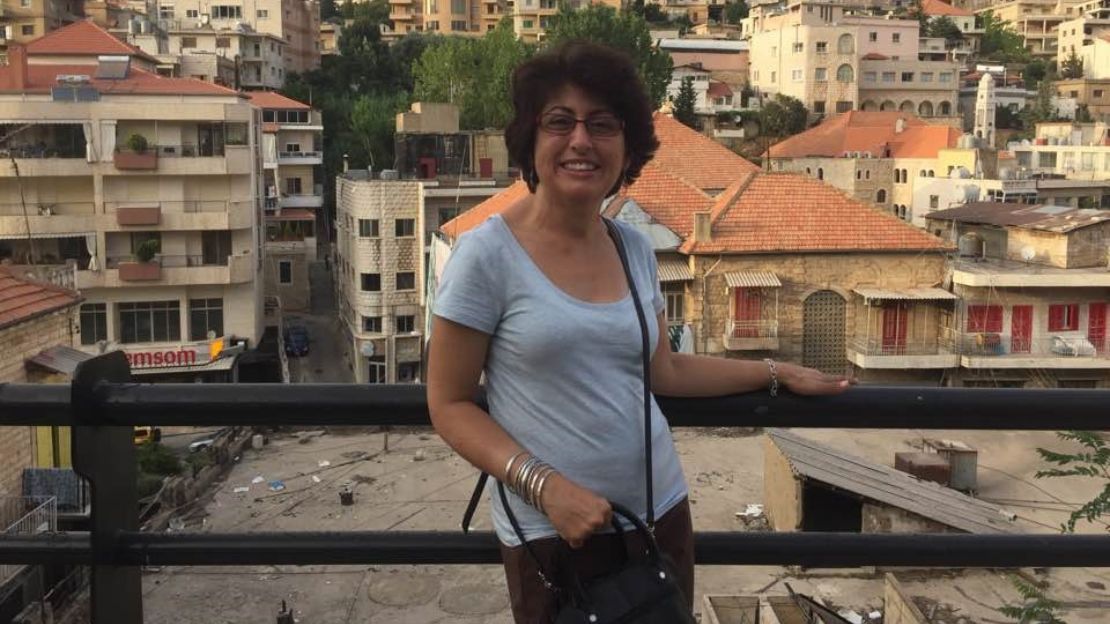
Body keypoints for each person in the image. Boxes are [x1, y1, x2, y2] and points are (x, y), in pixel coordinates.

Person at [427, 41, 852, 624]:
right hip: (555, 534)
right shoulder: (485, 255)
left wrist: (777, 371)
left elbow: (666, 369)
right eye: (559, 122)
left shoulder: (630, 246)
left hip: (659, 516)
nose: (581, 140)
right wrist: (545, 486)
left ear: (627, 149)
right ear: (531, 139)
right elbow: (448, 403)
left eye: (602, 125)